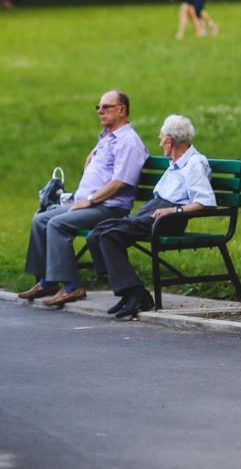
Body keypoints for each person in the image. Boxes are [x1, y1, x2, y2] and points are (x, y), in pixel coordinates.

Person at [19, 90, 149, 308]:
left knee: (57, 224)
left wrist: (90, 200)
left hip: (109, 208)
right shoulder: (107, 138)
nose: (100, 111)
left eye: (106, 107)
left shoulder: (129, 142)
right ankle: (47, 281)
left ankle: (72, 286)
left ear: (121, 110)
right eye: (98, 107)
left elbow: (120, 183)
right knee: (40, 219)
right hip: (90, 203)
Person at [86, 114, 218, 320]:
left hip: (168, 219)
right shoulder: (175, 162)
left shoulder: (194, 163)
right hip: (154, 211)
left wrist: (172, 211)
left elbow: (205, 202)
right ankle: (128, 292)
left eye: (161, 138)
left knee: (110, 235)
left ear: (169, 140)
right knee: (98, 232)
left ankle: (137, 294)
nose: (159, 142)